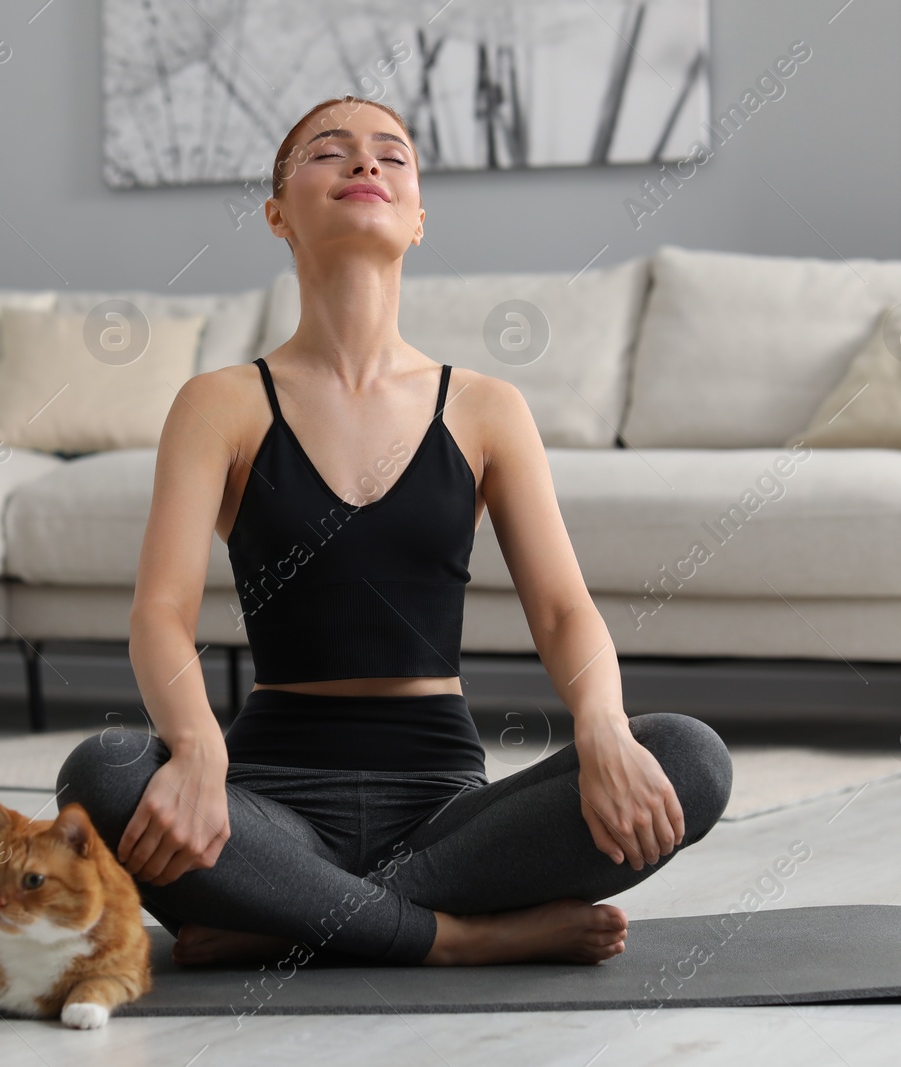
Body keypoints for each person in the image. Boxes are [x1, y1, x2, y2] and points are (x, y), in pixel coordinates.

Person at [58, 95, 732, 967]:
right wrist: (194, 749)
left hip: (443, 813)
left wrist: (601, 725)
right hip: (266, 807)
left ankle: (293, 920)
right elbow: (160, 612)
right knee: (102, 772)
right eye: (328, 153)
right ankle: (455, 938)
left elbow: (565, 610)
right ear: (277, 214)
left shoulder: (489, 408)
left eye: (392, 156)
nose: (365, 165)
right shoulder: (218, 404)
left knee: (689, 757)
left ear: (417, 219)